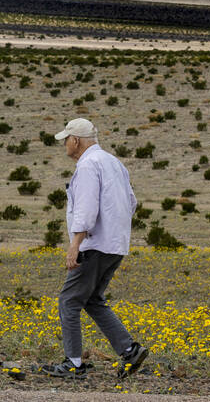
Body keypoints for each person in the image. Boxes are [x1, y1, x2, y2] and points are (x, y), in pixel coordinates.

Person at [39, 118, 148, 379]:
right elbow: (131, 203)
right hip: (115, 245)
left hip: (95, 244)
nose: (65, 144)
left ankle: (73, 363)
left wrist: (75, 244)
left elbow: (86, 209)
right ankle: (129, 349)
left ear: (76, 140)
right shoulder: (114, 163)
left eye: (66, 139)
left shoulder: (88, 165)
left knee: (69, 300)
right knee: (92, 299)